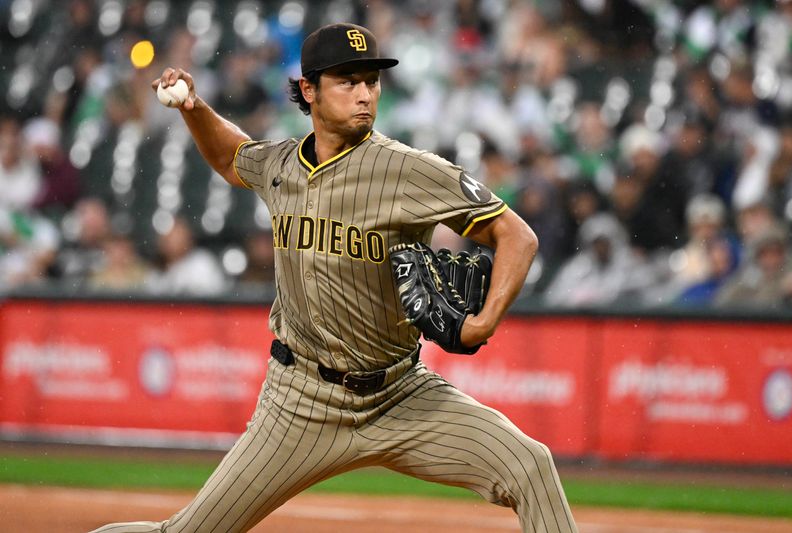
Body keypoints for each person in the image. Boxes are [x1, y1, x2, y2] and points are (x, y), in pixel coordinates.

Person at [91, 23, 575, 533]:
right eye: (348, 81)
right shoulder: (281, 165)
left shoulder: (410, 171)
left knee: (531, 466)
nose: (365, 94)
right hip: (300, 401)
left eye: (371, 81)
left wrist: (483, 322)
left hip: (401, 394)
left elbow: (517, 236)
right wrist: (194, 109)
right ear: (309, 90)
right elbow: (232, 157)